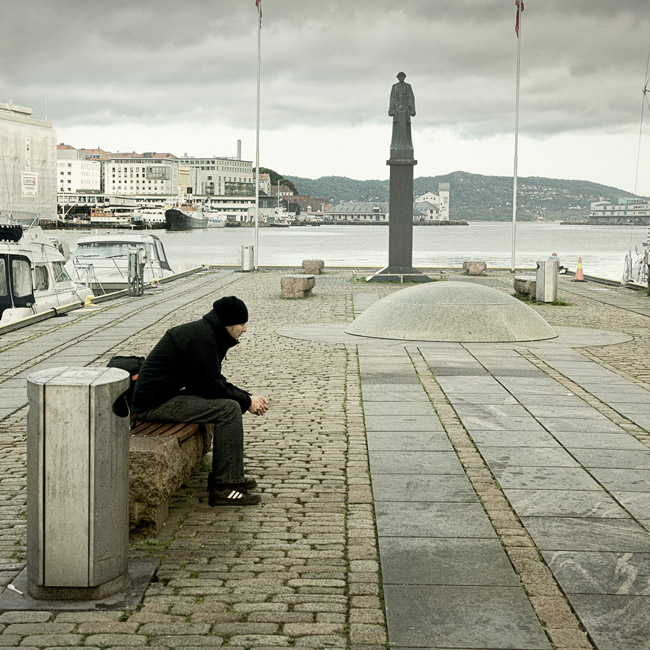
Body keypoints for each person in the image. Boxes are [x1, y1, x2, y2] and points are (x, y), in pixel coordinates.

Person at [131, 295, 268, 506]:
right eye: (241, 323)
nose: (245, 329)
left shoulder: (207, 334)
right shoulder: (201, 338)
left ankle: (231, 477)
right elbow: (211, 385)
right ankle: (226, 487)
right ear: (227, 323)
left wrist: (246, 397)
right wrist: (247, 400)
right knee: (229, 410)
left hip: (165, 396)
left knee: (229, 405)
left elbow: (210, 383)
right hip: (154, 405)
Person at [389, 71, 416, 156]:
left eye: (402, 77)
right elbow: (392, 98)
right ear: (397, 78)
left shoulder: (408, 86)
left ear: (404, 77)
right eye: (399, 77)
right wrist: (391, 109)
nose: (401, 78)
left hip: (406, 111)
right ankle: (396, 147)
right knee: (397, 132)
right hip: (397, 112)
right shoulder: (394, 87)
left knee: (406, 131)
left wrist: (412, 109)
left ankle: (406, 147)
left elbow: (411, 97)